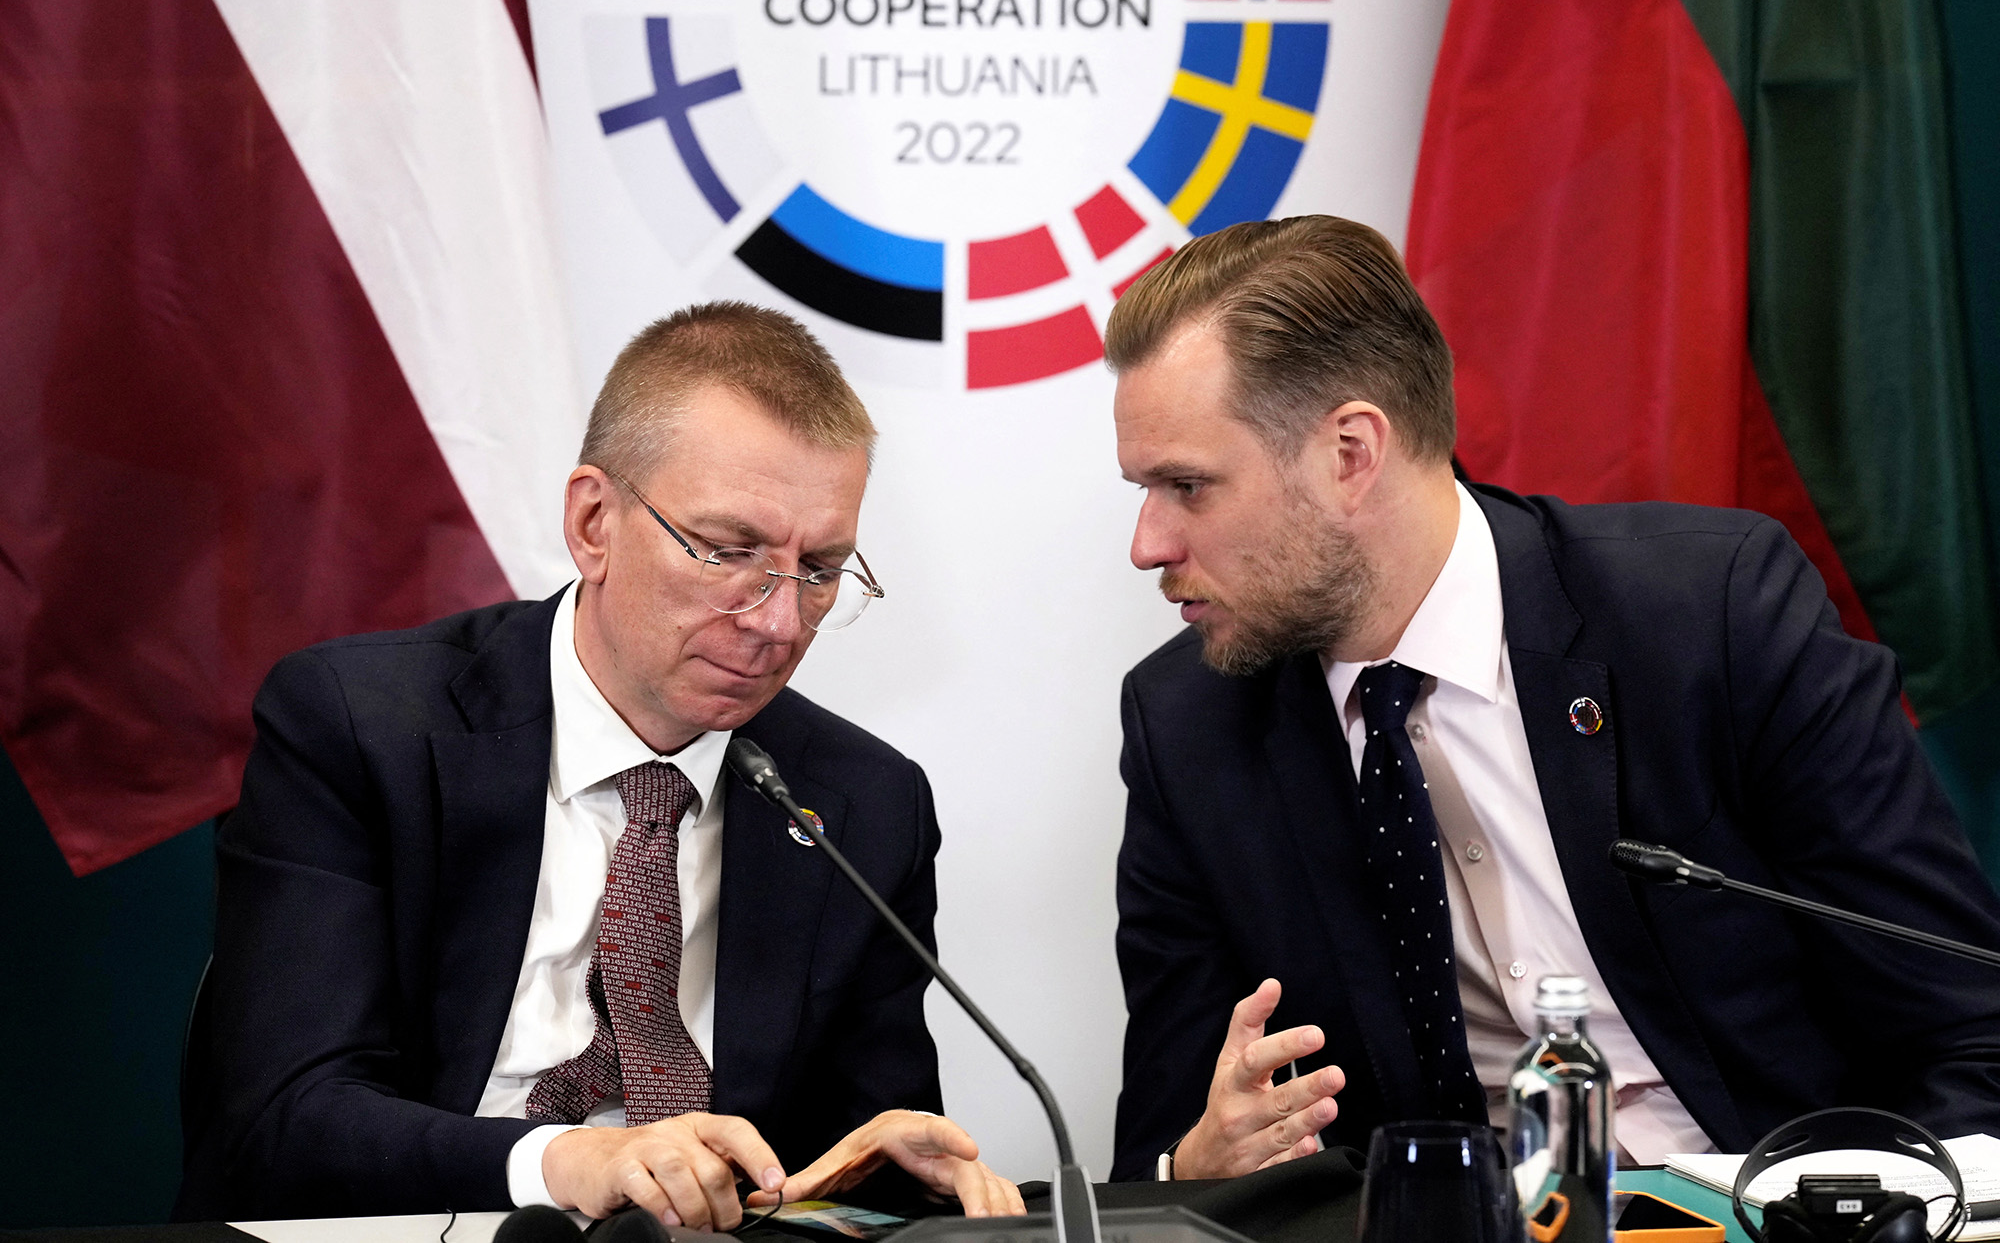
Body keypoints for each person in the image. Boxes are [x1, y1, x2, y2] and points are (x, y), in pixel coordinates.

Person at [1103, 215, 2000, 1182]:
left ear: (1352, 453)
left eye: (1188, 485)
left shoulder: (1710, 619)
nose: (1148, 543)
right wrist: (1197, 1162)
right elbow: (1162, 1143)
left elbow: (1968, 1031)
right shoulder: (1187, 727)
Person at [178, 302, 1024, 1224]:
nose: (779, 624)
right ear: (593, 523)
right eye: (730, 551)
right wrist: (568, 1162)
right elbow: (282, 1122)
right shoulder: (357, 727)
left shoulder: (862, 802)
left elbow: (849, 1149)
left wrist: (874, 1167)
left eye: (819, 569)